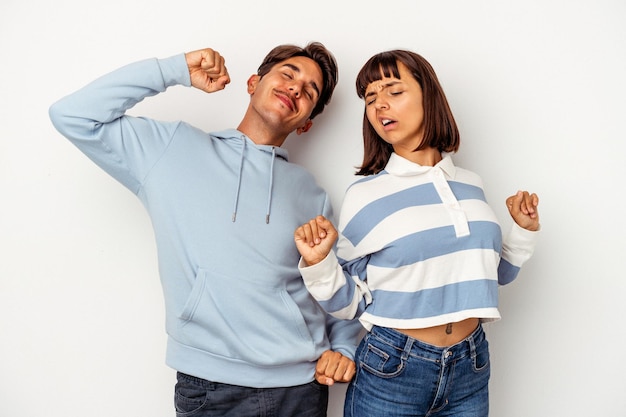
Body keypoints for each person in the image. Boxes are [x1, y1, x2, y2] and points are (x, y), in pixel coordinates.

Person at [49, 42, 362, 417]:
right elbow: (72, 115)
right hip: (212, 390)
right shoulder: (171, 149)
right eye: (288, 74)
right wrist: (174, 70)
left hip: (301, 388)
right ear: (253, 83)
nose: (296, 88)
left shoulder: (311, 193)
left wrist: (343, 349)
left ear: (307, 122)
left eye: (309, 91)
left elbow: (333, 287)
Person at [294, 49, 541, 417]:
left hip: (471, 365)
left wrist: (522, 231)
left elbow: (493, 277)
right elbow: (349, 303)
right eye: (371, 98)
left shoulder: (471, 184)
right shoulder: (365, 195)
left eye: (394, 91)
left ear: (429, 95)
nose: (379, 106)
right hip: (393, 366)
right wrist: (317, 264)